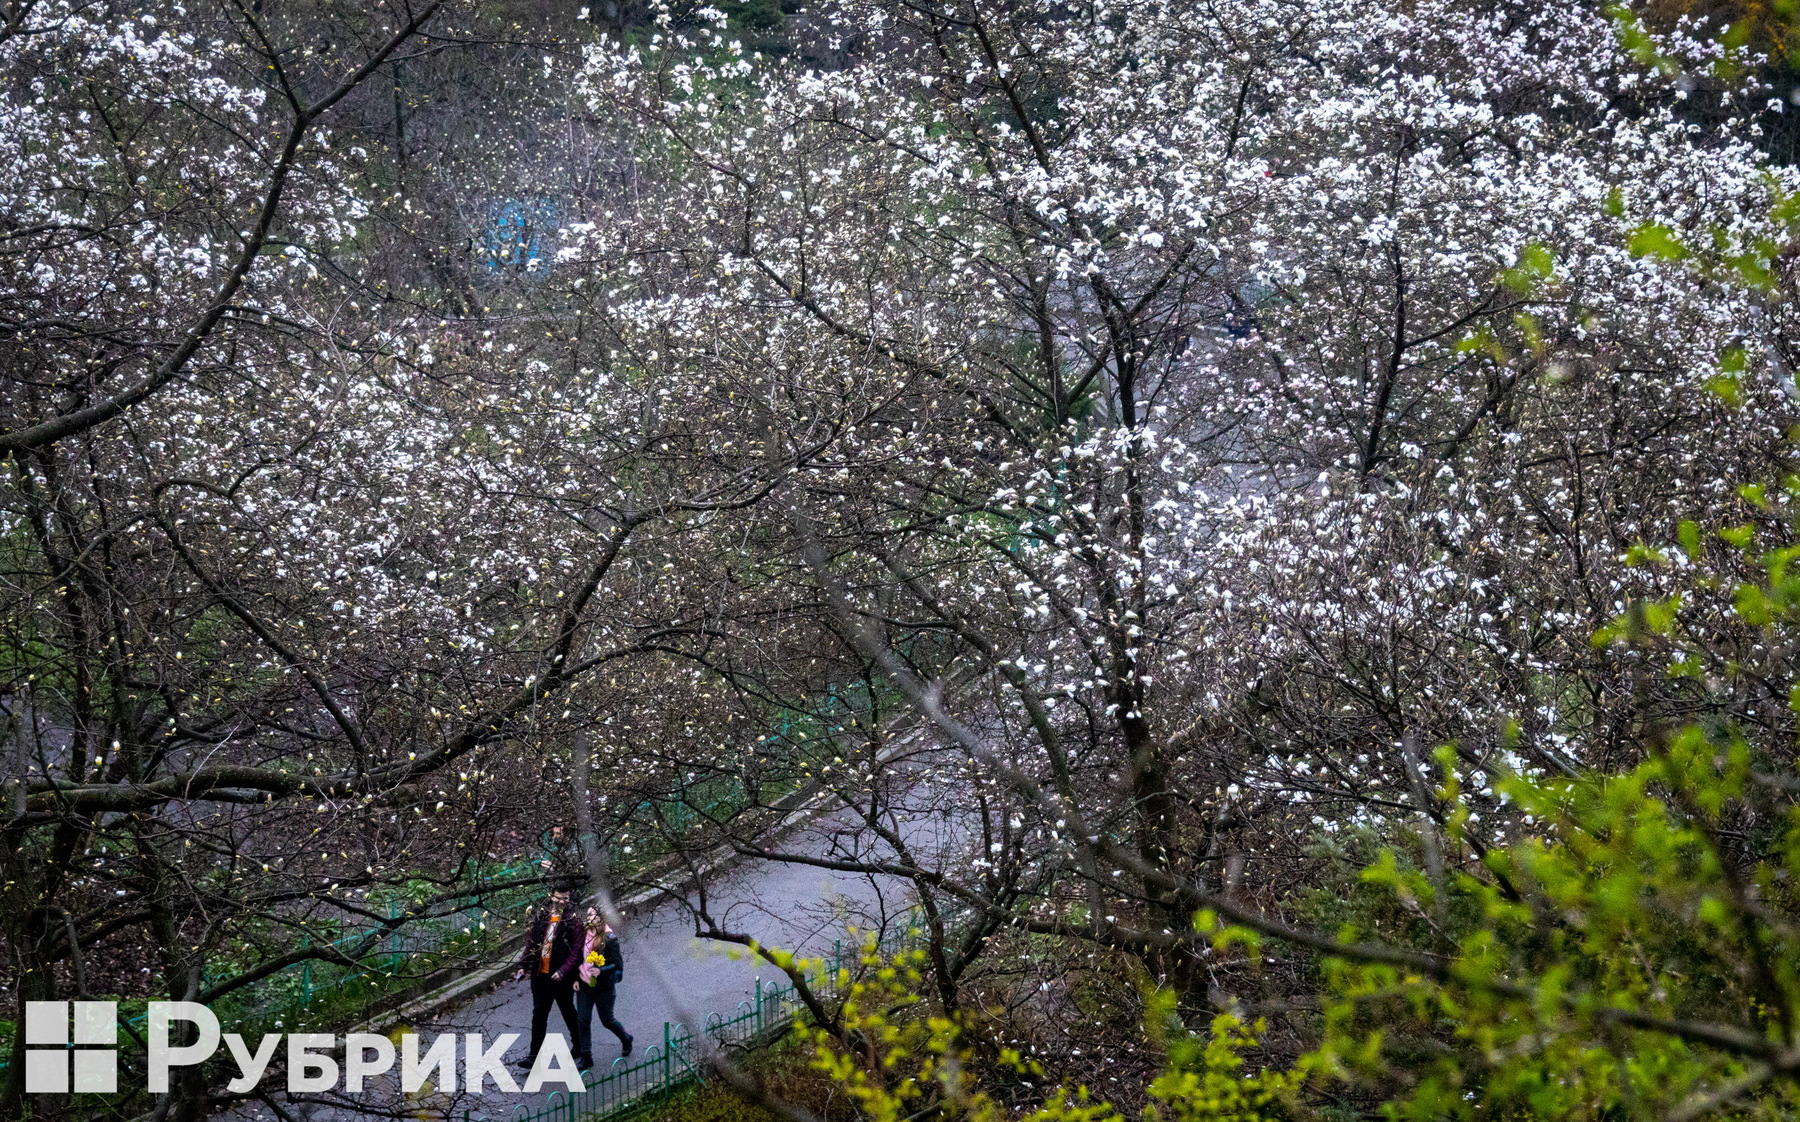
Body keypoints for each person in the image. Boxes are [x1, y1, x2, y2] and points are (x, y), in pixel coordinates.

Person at [514, 882, 586, 1071]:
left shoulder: (573, 919)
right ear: (551, 896)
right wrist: (524, 965)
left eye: (566, 898)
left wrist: (563, 971)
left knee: (568, 1010)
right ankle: (533, 1056)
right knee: (539, 1014)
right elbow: (532, 942)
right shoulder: (542, 915)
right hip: (541, 974)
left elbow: (577, 950)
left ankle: (579, 1045)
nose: (562, 901)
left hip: (561, 976)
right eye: (559, 898)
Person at [573, 905, 633, 1068]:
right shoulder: (585, 933)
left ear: (601, 918)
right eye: (588, 915)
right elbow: (578, 957)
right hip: (585, 985)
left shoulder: (609, 938)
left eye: (592, 915)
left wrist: (601, 970)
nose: (588, 918)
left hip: (603, 987)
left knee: (607, 1020)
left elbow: (617, 965)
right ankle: (586, 1056)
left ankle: (626, 1038)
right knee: (583, 1021)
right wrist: (575, 978)